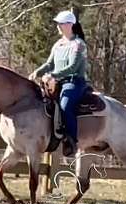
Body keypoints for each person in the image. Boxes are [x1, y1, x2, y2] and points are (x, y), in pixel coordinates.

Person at [28, 10, 89, 156]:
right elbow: (49, 64)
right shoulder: (58, 44)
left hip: (74, 82)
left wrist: (52, 75)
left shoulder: (78, 44)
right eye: (58, 24)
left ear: (69, 25)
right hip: (56, 82)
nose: (58, 26)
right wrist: (37, 72)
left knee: (65, 105)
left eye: (60, 24)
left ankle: (71, 140)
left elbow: (73, 67)